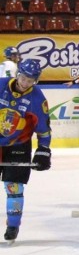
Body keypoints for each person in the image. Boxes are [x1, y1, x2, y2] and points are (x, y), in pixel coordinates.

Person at [0, 59, 52, 242]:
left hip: (19, 144)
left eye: (30, 80)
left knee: (14, 187)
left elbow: (44, 130)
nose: (25, 83)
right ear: (17, 74)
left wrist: (43, 150)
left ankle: (13, 225)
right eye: (23, 78)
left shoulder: (37, 99)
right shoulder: (0, 85)